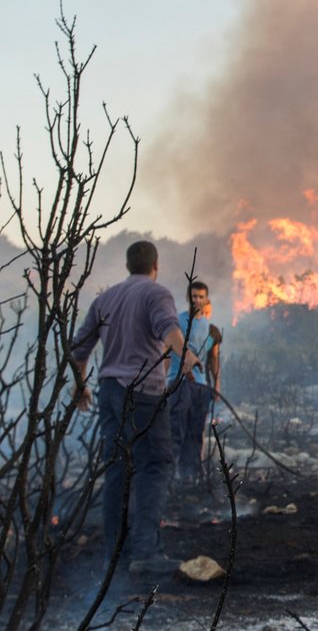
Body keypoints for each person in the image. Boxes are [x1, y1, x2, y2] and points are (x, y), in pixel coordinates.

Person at [71, 240, 201, 575]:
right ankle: (146, 552)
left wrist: (80, 384)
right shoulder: (155, 294)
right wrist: (185, 356)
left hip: (109, 392)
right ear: (155, 265)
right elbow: (167, 328)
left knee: (117, 469)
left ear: (129, 265)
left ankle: (115, 555)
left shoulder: (106, 298)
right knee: (155, 465)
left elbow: (79, 347)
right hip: (142, 393)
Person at [166, 281, 221, 485]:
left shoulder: (212, 330)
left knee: (196, 431)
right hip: (178, 383)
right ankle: (169, 478)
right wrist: (163, 382)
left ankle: (189, 477)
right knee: (175, 431)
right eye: (194, 296)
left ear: (206, 299)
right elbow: (165, 351)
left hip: (201, 387)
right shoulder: (177, 322)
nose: (197, 300)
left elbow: (214, 359)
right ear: (188, 297)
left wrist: (216, 384)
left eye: (201, 296)